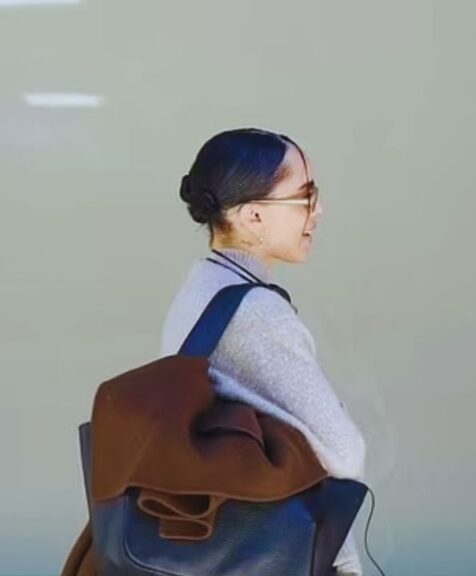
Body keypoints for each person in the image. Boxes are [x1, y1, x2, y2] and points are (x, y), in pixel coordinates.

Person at [162, 128, 367, 575]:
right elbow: (345, 454)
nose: (319, 210)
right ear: (254, 215)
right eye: (305, 196)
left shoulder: (200, 287)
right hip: (279, 555)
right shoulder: (255, 311)